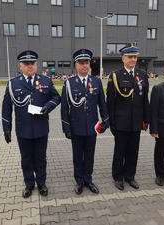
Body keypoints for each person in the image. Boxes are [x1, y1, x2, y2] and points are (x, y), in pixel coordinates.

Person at [2, 50, 61, 198]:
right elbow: (6, 108)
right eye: (26, 64)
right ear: (20, 66)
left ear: (36, 65)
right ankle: (29, 184)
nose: (30, 66)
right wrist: (6, 129)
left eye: (32, 63)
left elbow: (56, 97)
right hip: (23, 129)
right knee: (26, 158)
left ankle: (41, 183)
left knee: (41, 158)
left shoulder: (45, 81)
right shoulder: (12, 84)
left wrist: (48, 107)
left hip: (41, 127)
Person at [61, 49, 109, 195]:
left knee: (89, 155)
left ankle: (88, 179)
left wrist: (105, 121)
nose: (84, 66)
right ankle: (79, 181)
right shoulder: (69, 83)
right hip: (76, 127)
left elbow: (102, 103)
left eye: (87, 63)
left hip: (92, 127)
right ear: (76, 65)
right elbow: (64, 107)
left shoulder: (96, 81)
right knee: (77, 156)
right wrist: (66, 128)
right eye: (81, 63)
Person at [106, 42, 149, 191]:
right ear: (123, 59)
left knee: (133, 151)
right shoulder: (115, 76)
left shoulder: (142, 75)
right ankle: (118, 177)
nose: (132, 60)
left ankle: (130, 176)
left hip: (136, 121)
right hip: (121, 122)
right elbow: (110, 102)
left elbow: (145, 100)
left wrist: (146, 119)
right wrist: (111, 122)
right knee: (120, 151)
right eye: (129, 57)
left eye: (135, 57)